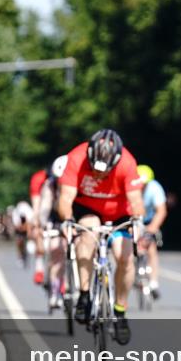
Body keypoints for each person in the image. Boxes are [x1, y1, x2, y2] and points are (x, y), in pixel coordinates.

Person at [57, 129, 145, 345]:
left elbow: (136, 201)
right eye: (95, 170)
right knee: (88, 235)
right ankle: (85, 295)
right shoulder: (76, 157)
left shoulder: (127, 162)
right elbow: (66, 198)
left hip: (119, 212)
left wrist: (137, 221)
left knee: (124, 256)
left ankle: (120, 311)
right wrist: (67, 221)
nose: (99, 176)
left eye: (105, 172)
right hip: (88, 208)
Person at [31, 156, 68, 307]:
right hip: (54, 219)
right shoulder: (49, 185)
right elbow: (44, 209)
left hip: (72, 217)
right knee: (55, 250)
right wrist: (41, 225)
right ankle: (55, 287)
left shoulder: (77, 184)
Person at [137, 164, 168, 300]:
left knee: (151, 249)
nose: (142, 187)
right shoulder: (130, 187)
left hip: (149, 220)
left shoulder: (155, 188)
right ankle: (134, 272)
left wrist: (153, 227)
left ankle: (154, 283)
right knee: (134, 247)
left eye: (145, 184)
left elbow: (161, 211)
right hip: (133, 219)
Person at [11, 199, 35, 270]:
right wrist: (21, 228)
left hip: (29, 227)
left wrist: (29, 232)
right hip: (20, 228)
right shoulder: (16, 212)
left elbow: (30, 223)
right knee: (19, 241)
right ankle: (20, 256)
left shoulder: (29, 212)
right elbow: (16, 225)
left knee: (31, 236)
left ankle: (27, 253)